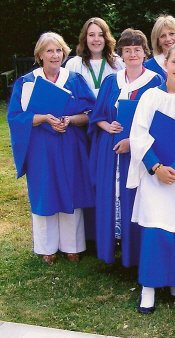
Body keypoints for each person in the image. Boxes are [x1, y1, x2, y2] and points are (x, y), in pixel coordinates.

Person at [127, 43, 175, 314]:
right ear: (165, 64)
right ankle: (148, 287)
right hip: (155, 176)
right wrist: (156, 167)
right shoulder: (150, 96)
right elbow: (138, 133)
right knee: (156, 228)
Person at [7, 32, 96, 264]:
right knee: (45, 190)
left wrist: (69, 119)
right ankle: (47, 246)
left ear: (64, 53)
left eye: (58, 50)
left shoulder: (74, 79)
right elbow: (15, 118)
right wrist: (44, 118)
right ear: (40, 54)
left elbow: (90, 114)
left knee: (70, 189)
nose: (55, 55)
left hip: (69, 144)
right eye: (49, 50)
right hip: (41, 147)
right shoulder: (27, 83)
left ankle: (72, 245)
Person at [88, 28, 163, 267]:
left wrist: (134, 142)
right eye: (127, 50)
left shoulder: (155, 81)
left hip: (139, 152)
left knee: (136, 199)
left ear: (144, 53)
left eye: (137, 50)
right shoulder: (112, 81)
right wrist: (105, 125)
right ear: (121, 53)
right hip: (111, 149)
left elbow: (160, 122)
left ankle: (135, 252)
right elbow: (97, 114)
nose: (132, 54)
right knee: (112, 196)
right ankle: (112, 250)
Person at [65, 17, 125, 97]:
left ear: (106, 38)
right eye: (91, 35)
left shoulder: (118, 63)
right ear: (85, 38)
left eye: (101, 35)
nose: (96, 39)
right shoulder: (73, 64)